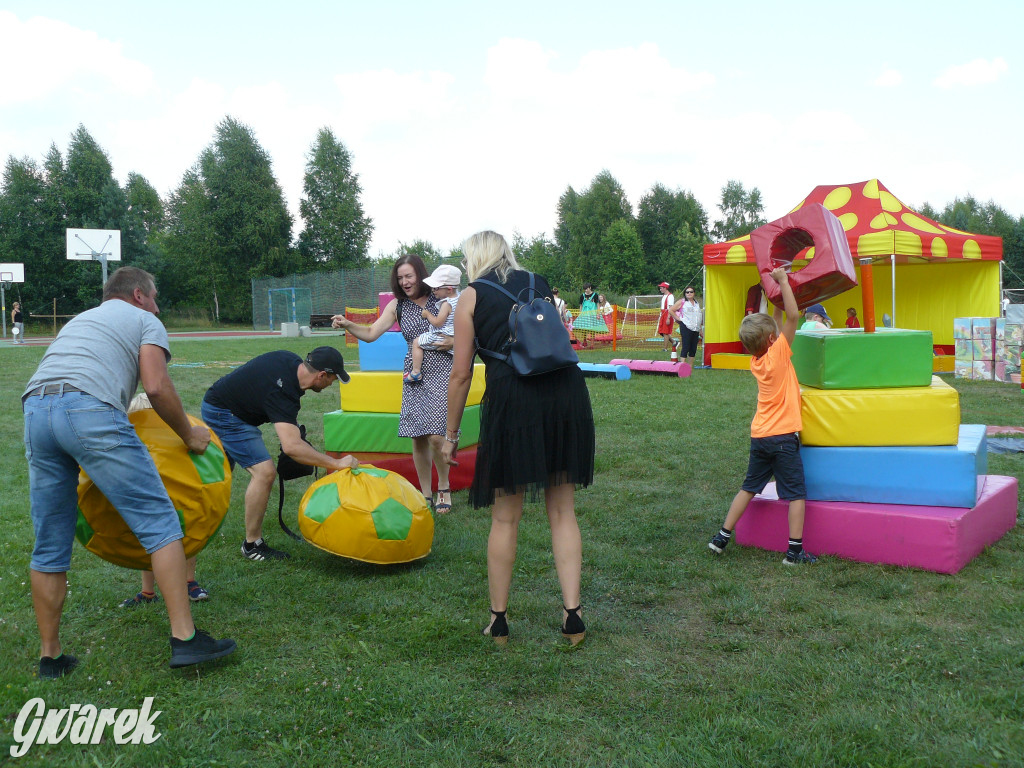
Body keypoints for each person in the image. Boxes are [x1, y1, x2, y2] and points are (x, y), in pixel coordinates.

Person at [22, 266, 236, 678]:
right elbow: (155, 386)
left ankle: (51, 656)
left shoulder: (81, 319)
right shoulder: (144, 320)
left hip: (35, 409)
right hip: (86, 409)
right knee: (161, 522)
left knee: (49, 543)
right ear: (139, 295)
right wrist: (189, 434)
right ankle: (186, 640)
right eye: (155, 298)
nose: (157, 307)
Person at [442, 231, 595, 646]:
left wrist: (451, 435)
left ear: (474, 259)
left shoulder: (470, 297)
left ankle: (499, 621)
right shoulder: (538, 282)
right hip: (564, 394)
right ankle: (573, 616)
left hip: (514, 402)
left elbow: (460, 375)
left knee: (506, 516)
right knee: (562, 511)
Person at [200, 346, 359, 561]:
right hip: (226, 414)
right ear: (321, 375)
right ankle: (252, 545)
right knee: (264, 473)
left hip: (223, 403)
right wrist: (336, 463)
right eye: (332, 379)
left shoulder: (290, 361)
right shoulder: (283, 393)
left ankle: (193, 522)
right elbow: (292, 447)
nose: (331, 384)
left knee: (217, 477)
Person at [707, 267, 816, 566]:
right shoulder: (779, 354)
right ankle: (794, 552)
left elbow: (779, 321)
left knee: (749, 487)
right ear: (772, 340)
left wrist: (775, 292)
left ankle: (721, 537)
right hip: (782, 438)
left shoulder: (758, 360)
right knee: (796, 494)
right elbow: (792, 318)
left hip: (760, 436)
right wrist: (783, 281)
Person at [332, 254, 456, 513]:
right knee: (418, 436)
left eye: (409, 276)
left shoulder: (442, 297)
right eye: (400, 278)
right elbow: (370, 333)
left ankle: (444, 486)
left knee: (436, 435)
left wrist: (454, 342)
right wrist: (348, 324)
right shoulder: (397, 305)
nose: (405, 282)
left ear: (420, 275)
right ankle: (426, 494)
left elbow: (468, 330)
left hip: (443, 368)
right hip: (415, 370)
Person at [407, 264, 461, 384]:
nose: (433, 291)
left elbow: (438, 322)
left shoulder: (447, 304)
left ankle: (416, 372)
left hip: (441, 335)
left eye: (436, 288)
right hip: (455, 335)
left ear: (449, 289)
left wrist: (427, 314)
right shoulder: (461, 298)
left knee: (416, 342)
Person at [671, 286, 703, 367]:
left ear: (694, 293)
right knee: (686, 345)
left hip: (695, 328)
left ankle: (690, 366)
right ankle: (682, 365)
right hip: (686, 326)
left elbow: (698, 317)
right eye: (687, 292)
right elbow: (671, 310)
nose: (689, 293)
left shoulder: (696, 303)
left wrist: (700, 330)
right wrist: (678, 318)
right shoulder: (682, 302)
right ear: (685, 293)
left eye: (691, 292)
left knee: (693, 347)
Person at [657, 282, 675, 355]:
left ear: (665, 288)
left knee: (665, 332)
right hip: (663, 314)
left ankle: (665, 348)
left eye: (661, 288)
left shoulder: (670, 296)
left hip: (667, 314)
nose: (660, 289)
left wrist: (668, 318)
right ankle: (674, 342)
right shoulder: (664, 296)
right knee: (661, 331)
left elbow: (670, 308)